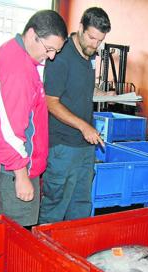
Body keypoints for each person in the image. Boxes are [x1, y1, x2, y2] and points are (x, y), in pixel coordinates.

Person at [0, 10, 67, 227]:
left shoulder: (16, 53)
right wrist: (21, 176)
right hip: (12, 167)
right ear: (31, 34)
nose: (52, 56)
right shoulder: (19, 72)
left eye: (57, 51)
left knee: (9, 231)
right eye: (49, 49)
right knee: (19, 235)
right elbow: (10, 131)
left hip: (10, 162)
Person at [38, 7, 111, 224]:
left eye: (100, 40)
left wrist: (104, 93)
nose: (94, 45)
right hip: (63, 146)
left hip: (85, 148)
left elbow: (80, 89)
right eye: (91, 37)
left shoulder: (89, 56)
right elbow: (50, 101)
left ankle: (73, 252)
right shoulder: (60, 56)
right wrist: (83, 126)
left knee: (80, 205)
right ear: (80, 28)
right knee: (56, 205)